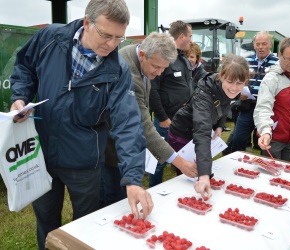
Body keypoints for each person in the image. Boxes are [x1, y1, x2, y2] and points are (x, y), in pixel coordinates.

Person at [9, 1, 153, 249]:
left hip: (85, 161)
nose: (111, 44)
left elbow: (128, 124)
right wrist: (20, 97)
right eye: (106, 35)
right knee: (46, 220)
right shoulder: (50, 38)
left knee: (86, 225)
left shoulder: (118, 71)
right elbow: (25, 66)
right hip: (41, 155)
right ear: (87, 23)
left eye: (120, 38)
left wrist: (132, 179)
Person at [100, 32, 198, 207]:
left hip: (121, 143)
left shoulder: (139, 55)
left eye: (163, 68)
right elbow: (143, 124)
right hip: (110, 146)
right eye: (156, 67)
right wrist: (179, 162)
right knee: (112, 199)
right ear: (143, 55)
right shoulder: (129, 74)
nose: (159, 73)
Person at [168, 54, 250, 200]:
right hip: (183, 133)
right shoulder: (204, 93)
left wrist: (219, 125)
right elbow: (202, 132)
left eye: (240, 83)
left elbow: (225, 106)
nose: (234, 88)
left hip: (199, 133)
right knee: (189, 177)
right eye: (230, 82)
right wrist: (205, 175)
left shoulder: (229, 89)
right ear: (221, 76)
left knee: (198, 173)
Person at [149, 20, 193, 187]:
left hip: (183, 121)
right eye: (189, 36)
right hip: (167, 120)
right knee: (160, 161)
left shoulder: (184, 59)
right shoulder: (164, 57)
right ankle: (153, 191)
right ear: (181, 36)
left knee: (182, 157)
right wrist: (162, 117)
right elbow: (153, 89)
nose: (190, 40)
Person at [254, 37, 290, 162]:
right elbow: (263, 107)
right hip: (273, 138)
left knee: (289, 173)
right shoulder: (271, 78)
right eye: (289, 59)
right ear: (280, 55)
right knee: (271, 176)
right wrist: (266, 132)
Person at [225, 31, 279, 155]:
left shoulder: (277, 63)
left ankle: (263, 166)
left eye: (264, 44)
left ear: (270, 44)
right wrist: (239, 94)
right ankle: (238, 161)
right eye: (258, 44)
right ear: (254, 45)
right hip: (248, 106)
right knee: (238, 137)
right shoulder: (246, 61)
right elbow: (238, 80)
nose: (260, 47)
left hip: (268, 108)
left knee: (266, 140)